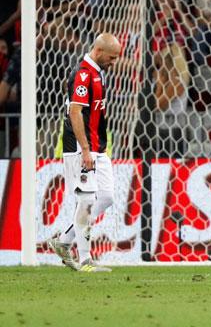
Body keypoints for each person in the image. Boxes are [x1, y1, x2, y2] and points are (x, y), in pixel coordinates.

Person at [48, 33, 122, 273]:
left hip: (98, 147)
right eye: (112, 57)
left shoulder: (99, 72)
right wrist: (86, 150)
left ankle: (65, 240)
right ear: (99, 51)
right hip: (82, 148)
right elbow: (76, 112)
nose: (114, 62)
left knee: (107, 197)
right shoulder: (82, 74)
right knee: (87, 200)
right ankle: (85, 260)